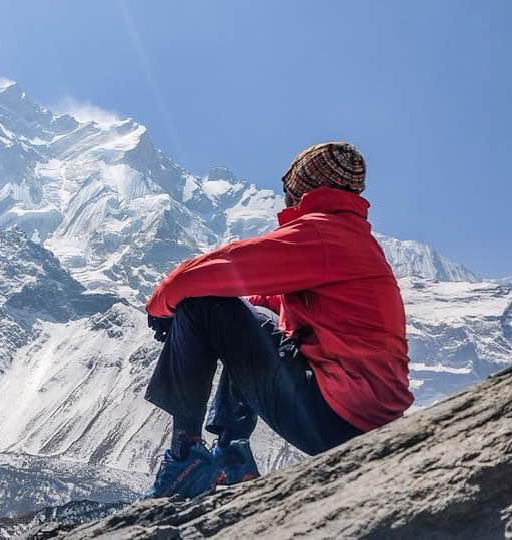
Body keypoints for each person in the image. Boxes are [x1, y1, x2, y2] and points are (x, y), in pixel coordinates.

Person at [143, 142, 413, 498]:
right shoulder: (351, 239)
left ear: (303, 187)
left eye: (289, 187)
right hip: (363, 420)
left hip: (337, 419)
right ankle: (232, 454)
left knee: (202, 303)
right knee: (245, 319)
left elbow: (206, 274)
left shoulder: (322, 234)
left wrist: (162, 305)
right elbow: (262, 306)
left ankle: (186, 458)